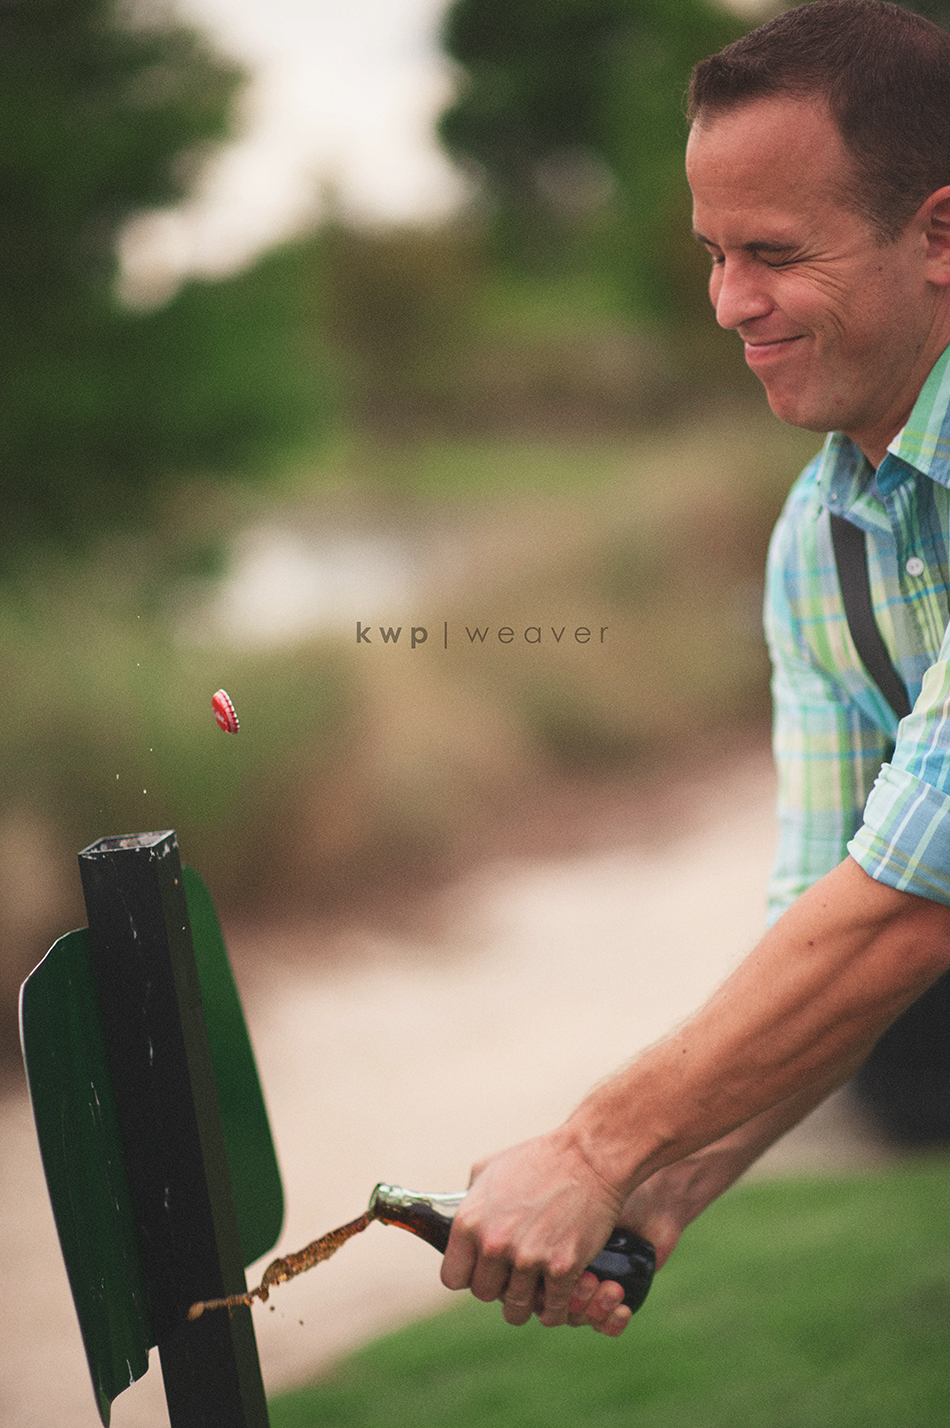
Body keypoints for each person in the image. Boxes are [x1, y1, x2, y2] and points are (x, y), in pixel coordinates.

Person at [440, 0, 950, 1337]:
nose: (729, 303)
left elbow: (914, 901)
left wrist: (593, 1147)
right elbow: (821, 933)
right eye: (715, 255)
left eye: (773, 253)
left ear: (939, 235)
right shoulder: (814, 547)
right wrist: (659, 1190)